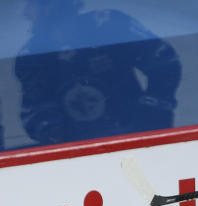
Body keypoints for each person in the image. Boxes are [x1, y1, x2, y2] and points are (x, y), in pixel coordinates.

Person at [15, 0, 181, 146]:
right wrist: (62, 138)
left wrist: (153, 118)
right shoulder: (31, 55)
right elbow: (36, 110)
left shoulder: (110, 24)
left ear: (51, 4)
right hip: (82, 153)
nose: (26, 13)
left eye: (31, 3)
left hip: (134, 138)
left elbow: (164, 62)